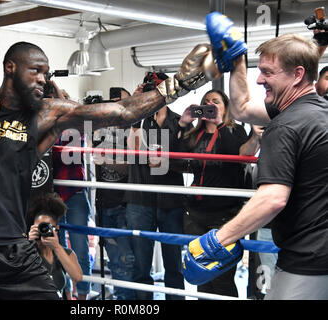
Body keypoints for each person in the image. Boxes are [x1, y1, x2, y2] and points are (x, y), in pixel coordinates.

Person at [0, 41, 215, 300]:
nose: (43, 78)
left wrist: (175, 86)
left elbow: (121, 114)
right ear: (10, 67)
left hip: (9, 245)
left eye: (46, 73)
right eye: (35, 71)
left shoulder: (47, 114)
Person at [184, 13, 328, 300]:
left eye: (268, 73)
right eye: (258, 70)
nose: (260, 79)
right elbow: (243, 108)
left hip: (308, 261)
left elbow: (272, 198)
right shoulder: (316, 110)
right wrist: (238, 61)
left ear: (298, 74)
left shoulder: (286, 126)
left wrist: (219, 239)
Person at [178, 89, 262, 297]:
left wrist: (219, 124)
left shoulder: (235, 131)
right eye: (206, 102)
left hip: (224, 213)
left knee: (222, 278)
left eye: (216, 102)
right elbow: (175, 157)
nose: (210, 105)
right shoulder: (194, 134)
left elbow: (234, 155)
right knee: (201, 276)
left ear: (225, 108)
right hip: (196, 212)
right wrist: (182, 123)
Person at [124, 72, 187, 300]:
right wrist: (135, 104)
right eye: (152, 89)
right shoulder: (136, 121)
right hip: (140, 200)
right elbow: (131, 153)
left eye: (160, 88)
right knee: (141, 267)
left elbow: (189, 162)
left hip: (171, 201)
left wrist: (167, 162)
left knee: (174, 267)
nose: (157, 93)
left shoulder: (180, 121)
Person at [92, 87, 135, 300]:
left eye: (124, 103)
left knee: (127, 259)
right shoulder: (98, 128)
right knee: (115, 259)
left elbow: (135, 166)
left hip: (126, 204)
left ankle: (128, 300)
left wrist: (107, 160)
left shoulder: (135, 129)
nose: (118, 106)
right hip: (104, 202)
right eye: (114, 102)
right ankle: (121, 298)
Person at [52, 129, 93, 300]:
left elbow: (68, 154)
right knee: (57, 247)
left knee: (80, 247)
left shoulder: (75, 123)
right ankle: (66, 295)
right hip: (52, 194)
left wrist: (47, 145)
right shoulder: (45, 118)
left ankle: (83, 298)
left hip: (74, 191)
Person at [28, 193, 83, 296]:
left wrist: (57, 247)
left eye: (47, 227)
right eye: (40, 227)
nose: (43, 230)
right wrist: (29, 244)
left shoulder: (65, 253)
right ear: (33, 227)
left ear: (56, 228)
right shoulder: (26, 250)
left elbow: (77, 277)